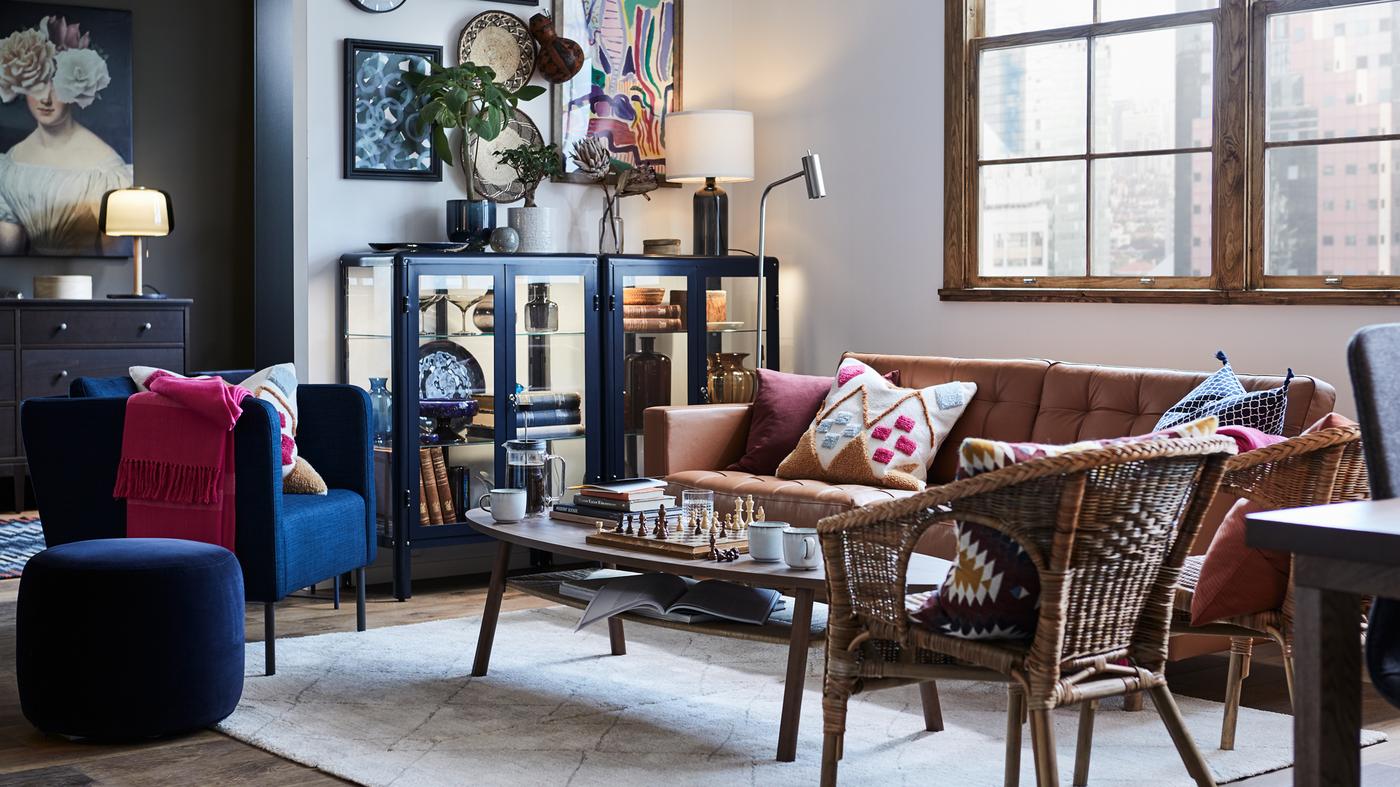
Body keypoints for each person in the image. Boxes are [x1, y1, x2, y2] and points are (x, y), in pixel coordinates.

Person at [0, 15, 130, 256]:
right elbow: (8, 255)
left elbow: (115, 254)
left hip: (92, 283)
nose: (46, 99)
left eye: (57, 86)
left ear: (75, 88)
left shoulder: (107, 172)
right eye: (36, 84)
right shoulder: (10, 165)